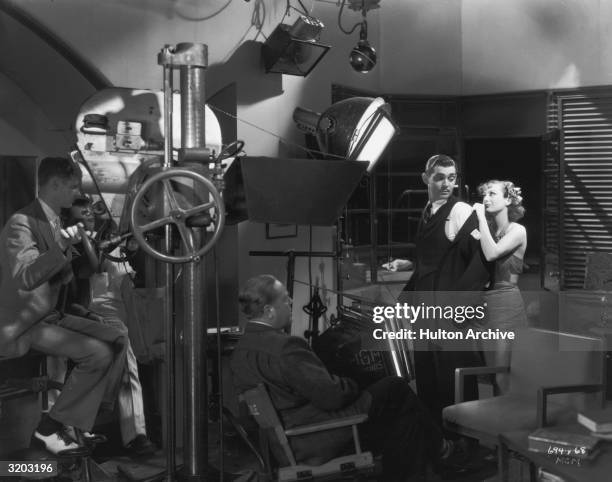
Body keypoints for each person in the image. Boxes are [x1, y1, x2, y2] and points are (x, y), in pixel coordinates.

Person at [231, 275, 474, 480]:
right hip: (316, 434)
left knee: (402, 418)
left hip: (287, 439)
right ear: (269, 310)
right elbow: (333, 397)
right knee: (396, 388)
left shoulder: (240, 350)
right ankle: (442, 452)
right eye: (286, 299)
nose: (291, 302)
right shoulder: (285, 347)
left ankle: (437, 457)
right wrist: (351, 381)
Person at [0, 157, 126, 455]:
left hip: (52, 315)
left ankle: (77, 420)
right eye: (72, 187)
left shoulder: (55, 220)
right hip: (25, 323)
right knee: (98, 353)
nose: (75, 193)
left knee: (118, 339)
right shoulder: (22, 222)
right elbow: (26, 276)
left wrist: (84, 248)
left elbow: (66, 277)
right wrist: (62, 249)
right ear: (55, 185)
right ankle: (51, 429)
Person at [388, 154, 492, 425]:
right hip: (425, 308)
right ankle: (437, 440)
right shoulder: (428, 210)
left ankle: (465, 441)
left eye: (452, 177)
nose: (447, 184)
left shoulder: (460, 212)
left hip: (448, 310)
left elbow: (481, 263)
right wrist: (409, 263)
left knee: (453, 375)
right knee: (427, 374)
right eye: (439, 177)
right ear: (426, 179)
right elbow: (438, 256)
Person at [59, 197, 156, 456]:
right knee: (127, 365)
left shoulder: (114, 239)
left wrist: (131, 245)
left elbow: (134, 277)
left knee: (130, 365)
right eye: (82, 215)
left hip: (124, 307)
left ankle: (130, 433)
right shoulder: (74, 245)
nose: (90, 215)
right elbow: (89, 271)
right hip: (96, 309)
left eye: (92, 212)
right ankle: (134, 434)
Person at [473, 180, 528, 393]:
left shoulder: (518, 230)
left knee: (503, 375)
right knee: (488, 374)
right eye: (484, 194)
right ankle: (493, 419)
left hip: (506, 305)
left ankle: (509, 422)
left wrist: (480, 218)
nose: (486, 198)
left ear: (508, 199)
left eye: (492, 193)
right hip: (484, 305)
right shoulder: (487, 229)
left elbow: (492, 253)